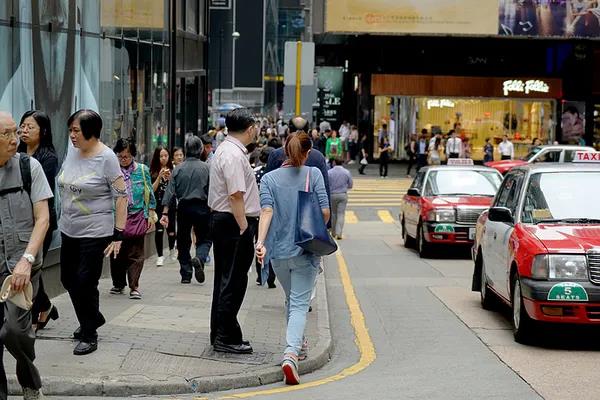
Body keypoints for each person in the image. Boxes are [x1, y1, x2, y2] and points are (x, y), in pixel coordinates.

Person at [255, 131, 330, 385]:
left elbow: (266, 211)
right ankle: (290, 354)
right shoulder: (314, 174)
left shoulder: (269, 179)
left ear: (285, 151)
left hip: (277, 254)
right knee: (299, 304)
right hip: (305, 250)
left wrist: (260, 242)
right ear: (307, 152)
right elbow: (325, 211)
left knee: (291, 299)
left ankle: (301, 344)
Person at [57, 109, 128, 356]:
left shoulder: (106, 157)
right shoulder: (72, 152)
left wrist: (118, 233)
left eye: (76, 130)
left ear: (91, 131)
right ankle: (93, 317)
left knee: (87, 281)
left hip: (95, 231)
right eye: (70, 130)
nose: (72, 136)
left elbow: (121, 195)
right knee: (68, 278)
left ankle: (89, 334)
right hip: (69, 229)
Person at [0, 112, 52, 399]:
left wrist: (27, 259)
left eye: (14, 131)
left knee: (14, 332)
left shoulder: (28, 167)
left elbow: (42, 219)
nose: (14, 138)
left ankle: (30, 381)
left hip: (20, 271)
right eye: (6, 133)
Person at [208, 108, 260, 354]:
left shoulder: (228, 151)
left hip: (228, 221)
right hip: (233, 222)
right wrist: (243, 227)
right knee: (233, 281)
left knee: (226, 279)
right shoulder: (233, 155)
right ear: (250, 128)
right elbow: (236, 194)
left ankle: (222, 332)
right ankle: (225, 336)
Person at [17, 111, 59, 332]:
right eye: (22, 126)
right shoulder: (17, 152)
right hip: (20, 220)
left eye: (29, 127)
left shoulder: (48, 157)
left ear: (42, 131)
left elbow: (42, 194)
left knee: (32, 266)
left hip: (42, 220)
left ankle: (32, 317)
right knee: (28, 268)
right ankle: (45, 306)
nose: (24, 131)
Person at [160, 136, 211, 284]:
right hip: (202, 206)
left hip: (183, 207)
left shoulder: (178, 169)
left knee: (183, 241)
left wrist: (164, 212)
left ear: (186, 150)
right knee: (205, 238)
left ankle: (186, 274)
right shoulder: (207, 168)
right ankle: (200, 258)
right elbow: (213, 190)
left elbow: (170, 192)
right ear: (200, 150)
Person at [110, 138, 156, 300]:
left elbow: (149, 193)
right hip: (117, 217)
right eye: (120, 156)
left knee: (136, 253)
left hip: (137, 215)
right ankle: (118, 282)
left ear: (133, 156)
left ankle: (134, 286)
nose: (123, 159)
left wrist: (150, 213)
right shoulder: (113, 172)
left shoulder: (142, 170)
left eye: (127, 156)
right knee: (117, 252)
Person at [253, 147, 276, 288]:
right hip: (273, 212)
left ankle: (260, 275)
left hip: (257, 213)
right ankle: (271, 277)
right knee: (271, 243)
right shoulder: (275, 174)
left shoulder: (255, 172)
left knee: (259, 242)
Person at [150, 146, 173, 266]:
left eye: (166, 156)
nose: (163, 158)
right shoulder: (153, 171)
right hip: (158, 205)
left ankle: (172, 250)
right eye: (161, 156)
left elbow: (176, 189)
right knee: (159, 230)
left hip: (170, 205)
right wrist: (159, 177)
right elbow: (151, 190)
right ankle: (160, 255)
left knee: (171, 230)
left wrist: (170, 178)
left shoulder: (173, 170)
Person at [328, 158, 353, 239]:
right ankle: (339, 233)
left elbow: (327, 184)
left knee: (334, 214)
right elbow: (350, 185)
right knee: (341, 214)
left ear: (334, 162)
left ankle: (333, 232)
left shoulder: (329, 172)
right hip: (342, 195)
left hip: (332, 195)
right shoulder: (346, 172)